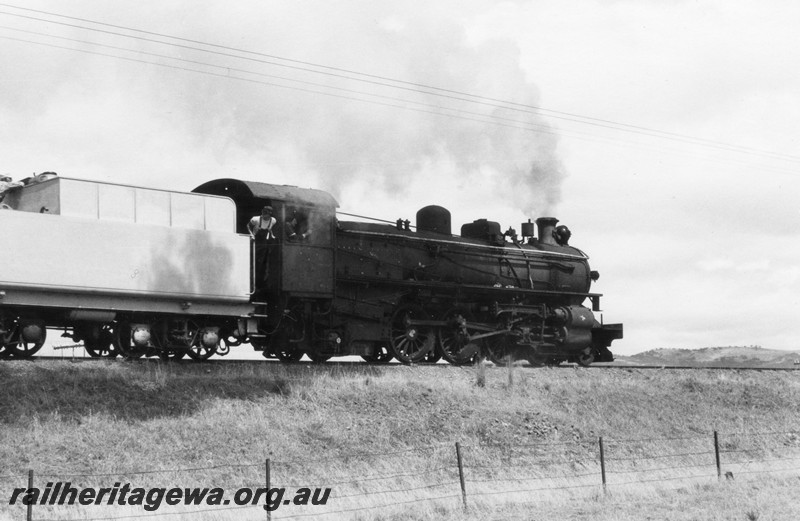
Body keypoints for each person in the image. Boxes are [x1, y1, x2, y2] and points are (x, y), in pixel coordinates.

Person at [248, 205, 277, 293]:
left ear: (270, 215)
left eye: (266, 214)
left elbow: (270, 229)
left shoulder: (273, 221)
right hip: (255, 242)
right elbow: (248, 226)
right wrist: (251, 234)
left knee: (262, 265)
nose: (264, 215)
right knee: (253, 263)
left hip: (264, 243)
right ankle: (251, 283)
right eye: (263, 213)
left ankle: (259, 284)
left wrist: (272, 235)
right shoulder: (256, 219)